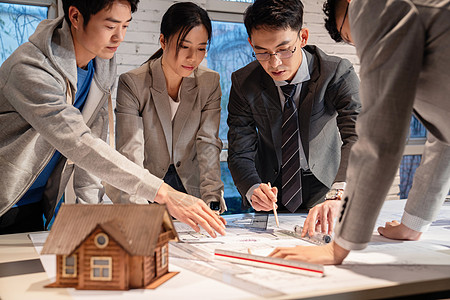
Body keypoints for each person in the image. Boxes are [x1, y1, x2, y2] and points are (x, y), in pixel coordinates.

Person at [0, 0, 226, 238]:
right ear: (75, 17)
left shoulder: (102, 63)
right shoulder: (31, 68)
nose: (119, 37)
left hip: (33, 203)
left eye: (125, 26)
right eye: (110, 26)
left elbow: (94, 145)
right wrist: (164, 192)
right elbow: (79, 143)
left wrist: (89, 218)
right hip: (5, 197)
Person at [270, 0, 450, 264]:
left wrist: (338, 247)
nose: (357, 44)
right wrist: (413, 225)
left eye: (346, 36)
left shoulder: (373, 5)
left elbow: (379, 134)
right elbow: (443, 139)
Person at [227, 0, 360, 221]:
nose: (275, 63)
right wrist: (252, 188)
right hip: (272, 189)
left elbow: (357, 136)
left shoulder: (336, 73)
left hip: (328, 186)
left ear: (303, 38)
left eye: (284, 50)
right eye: (262, 52)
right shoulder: (244, 83)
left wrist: (339, 194)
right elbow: (240, 150)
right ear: (251, 44)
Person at [108, 2, 227, 213]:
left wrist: (212, 201)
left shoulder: (209, 83)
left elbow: (208, 143)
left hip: (191, 191)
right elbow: (130, 153)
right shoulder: (133, 83)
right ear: (163, 41)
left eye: (201, 48)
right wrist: (137, 213)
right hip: (148, 189)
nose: (193, 57)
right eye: (184, 46)